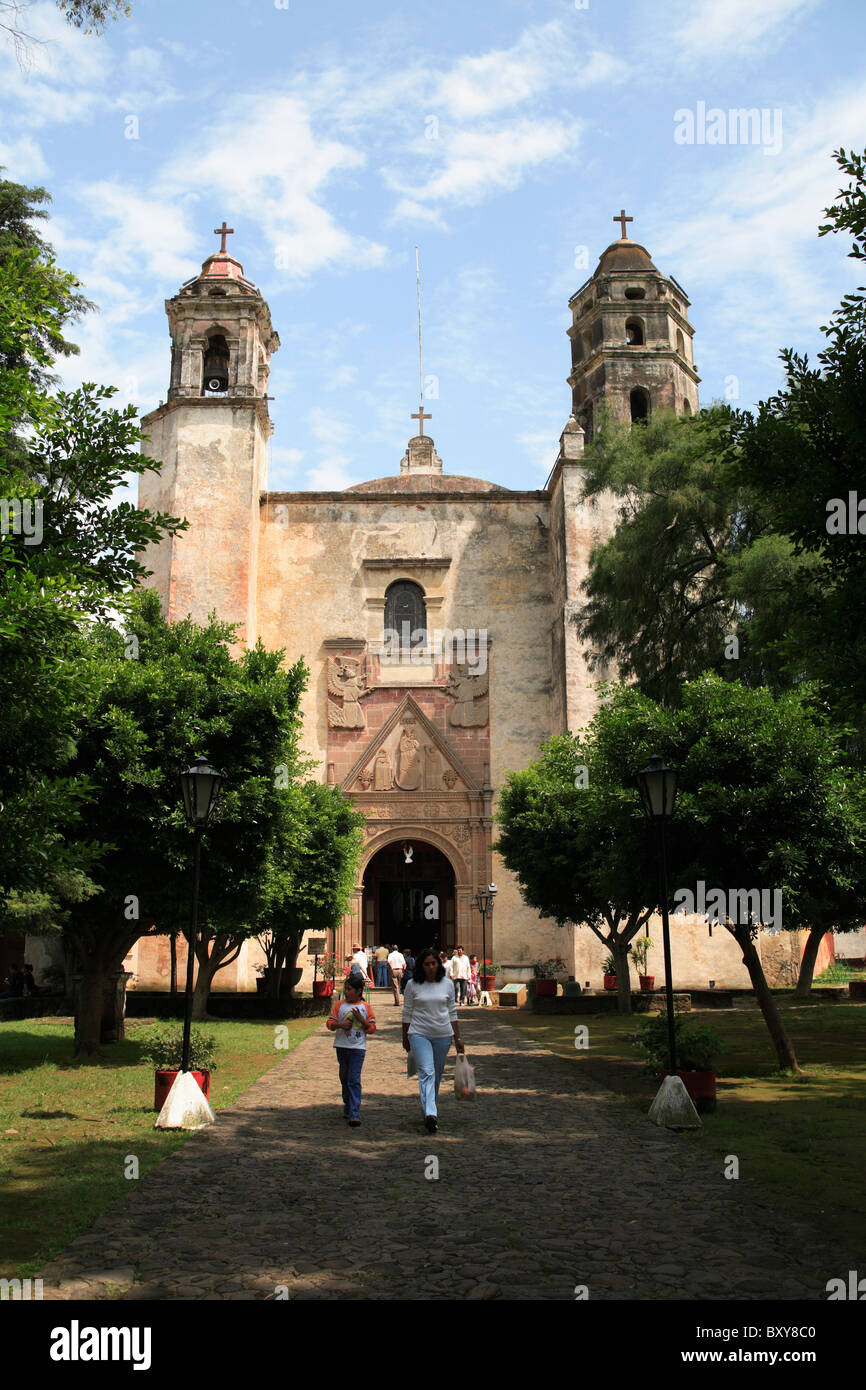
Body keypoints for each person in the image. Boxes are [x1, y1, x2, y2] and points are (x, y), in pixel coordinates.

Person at [402, 946, 464, 1133]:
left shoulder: (447, 984)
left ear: (439, 964)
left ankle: (429, 1109)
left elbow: (452, 1012)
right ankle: (431, 1113)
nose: (430, 967)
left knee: (436, 1074)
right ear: (421, 966)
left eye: (433, 963)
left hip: (442, 1035)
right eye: (427, 964)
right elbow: (407, 1013)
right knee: (426, 1072)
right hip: (419, 1033)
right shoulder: (412, 985)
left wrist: (458, 1038)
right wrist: (405, 1036)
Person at [326, 974, 376, 1127]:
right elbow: (330, 1023)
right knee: (344, 1077)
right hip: (342, 1047)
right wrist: (340, 1025)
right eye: (345, 989)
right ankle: (348, 1105)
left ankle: (354, 1112)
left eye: (349, 989)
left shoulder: (365, 1008)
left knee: (353, 1079)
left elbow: (371, 1028)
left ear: (359, 991)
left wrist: (362, 1020)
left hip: (357, 1048)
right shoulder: (340, 1006)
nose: (346, 992)